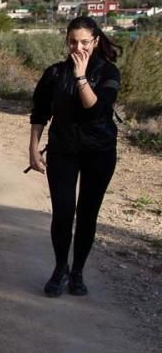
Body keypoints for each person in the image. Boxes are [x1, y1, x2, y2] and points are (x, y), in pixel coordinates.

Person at [28, 16, 122, 297]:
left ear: (95, 42)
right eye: (72, 41)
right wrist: (33, 147)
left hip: (99, 152)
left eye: (83, 42)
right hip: (63, 151)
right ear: (66, 41)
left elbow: (96, 110)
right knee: (63, 212)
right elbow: (40, 112)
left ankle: (78, 271)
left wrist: (81, 77)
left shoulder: (109, 72)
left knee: (87, 215)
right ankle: (60, 269)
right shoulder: (55, 73)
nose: (77, 47)